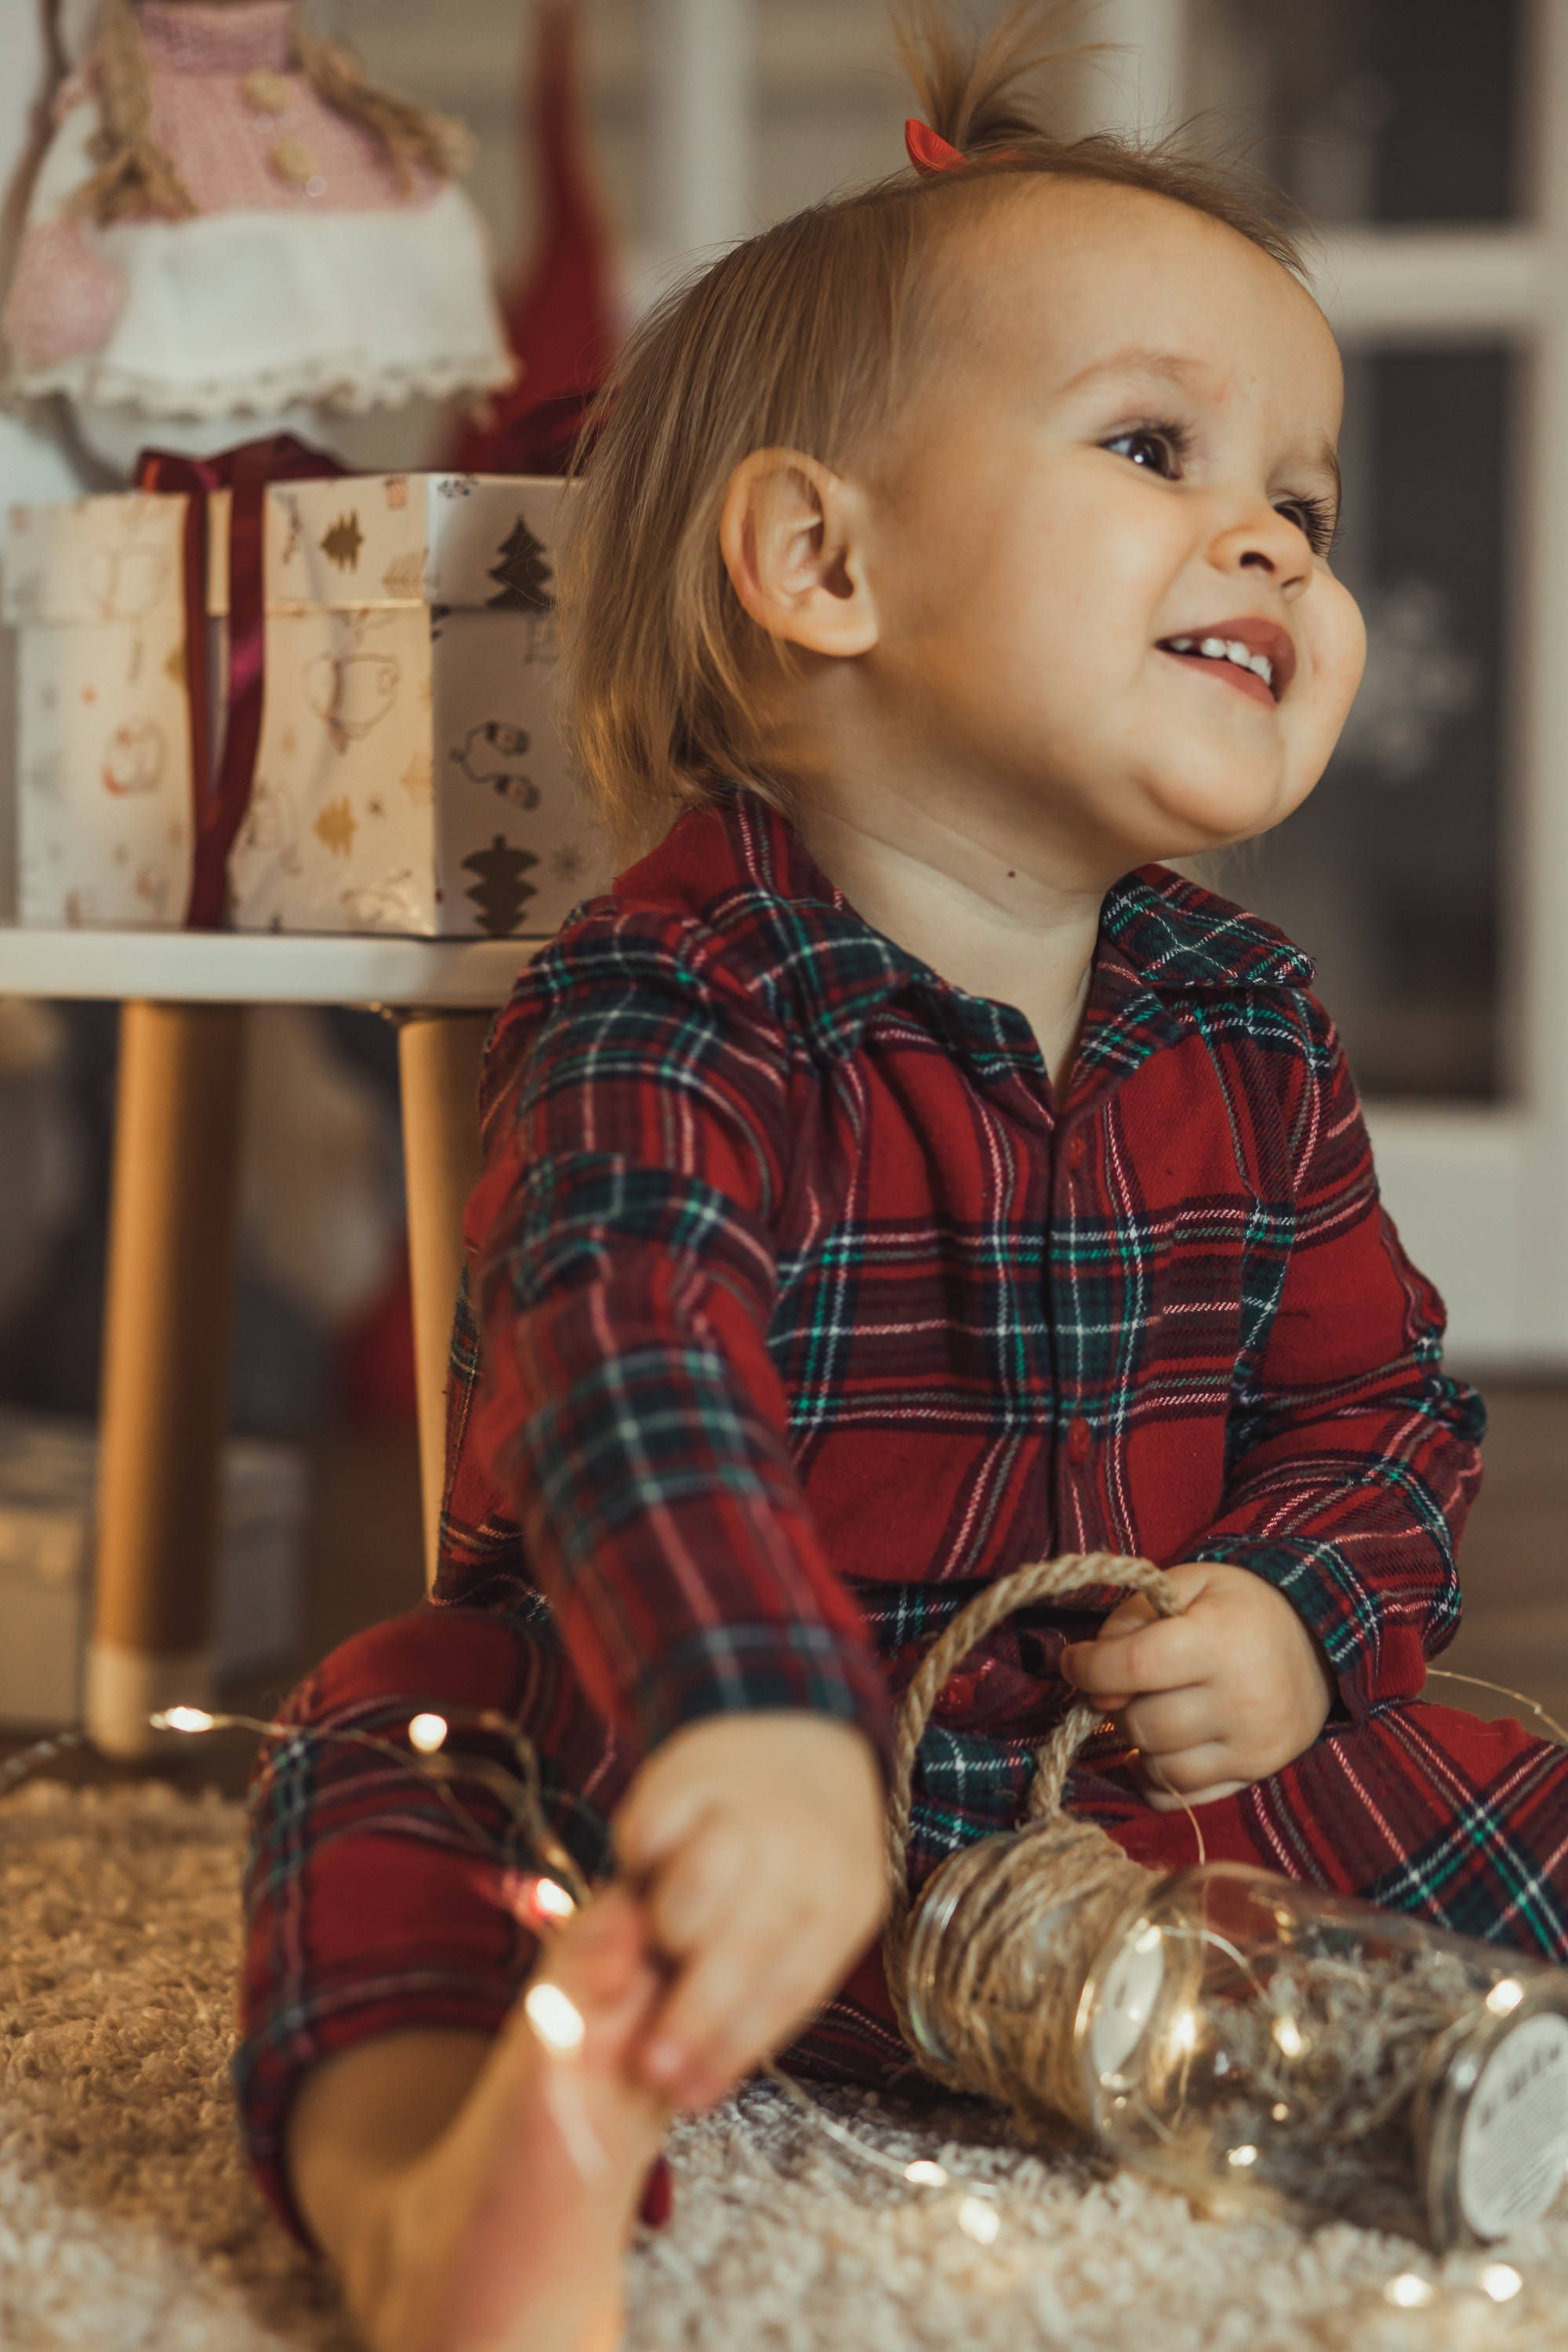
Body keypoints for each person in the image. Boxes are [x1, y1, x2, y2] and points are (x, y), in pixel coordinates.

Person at [236, 10, 1563, 2347]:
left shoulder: (1245, 1018)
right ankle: (439, 2186)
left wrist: (1289, 1615)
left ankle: (1397, 2076)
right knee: (387, 1748)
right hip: (701, 1820)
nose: (1270, 532)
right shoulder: (674, 996)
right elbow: (622, 1355)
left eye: (1308, 505)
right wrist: (748, 1715)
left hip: (1115, 1841)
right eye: (1156, 447)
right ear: (820, 563)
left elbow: (1383, 1407)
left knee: (1497, 1780)